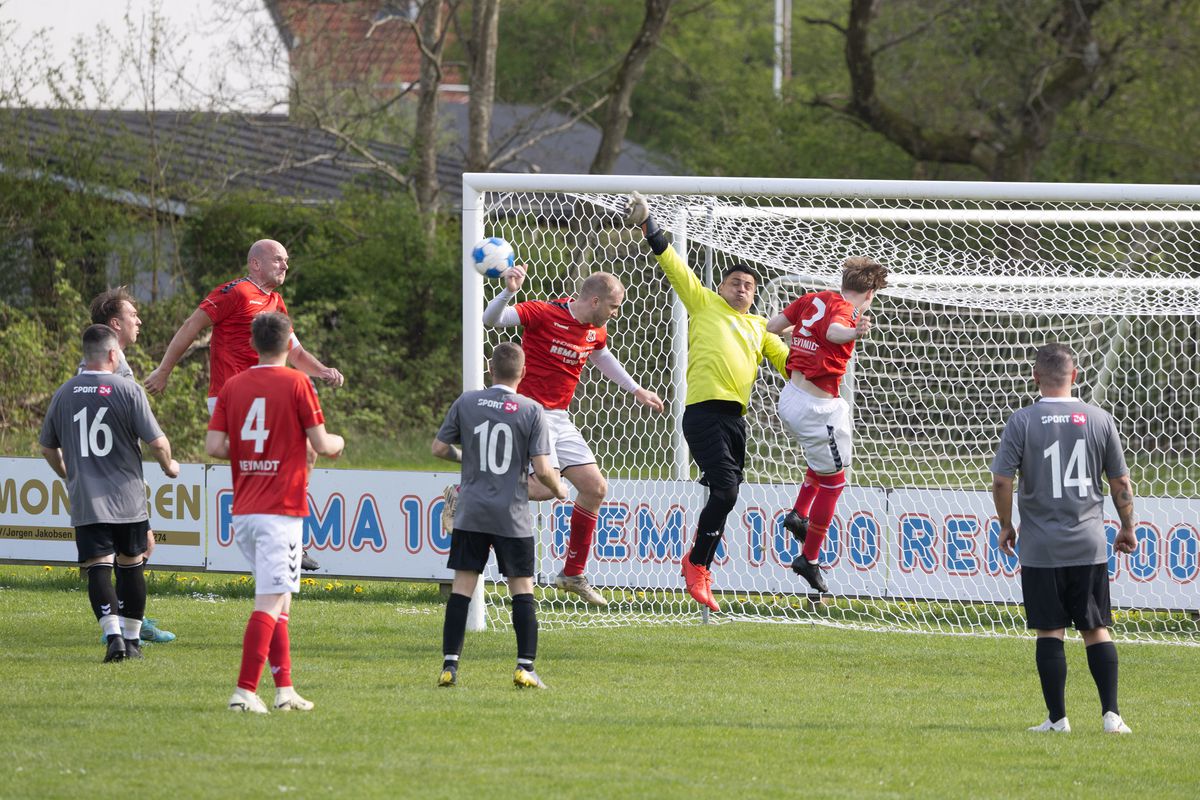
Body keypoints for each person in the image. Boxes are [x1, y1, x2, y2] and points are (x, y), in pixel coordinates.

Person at [623, 192, 789, 613]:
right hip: (702, 413)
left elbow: (790, 365)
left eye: (749, 286)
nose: (743, 288)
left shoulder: (760, 327)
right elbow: (674, 267)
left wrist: (824, 356)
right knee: (728, 490)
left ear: (755, 295)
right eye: (735, 282)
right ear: (722, 287)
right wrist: (650, 226)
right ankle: (697, 565)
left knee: (727, 493)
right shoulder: (705, 303)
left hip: (736, 420)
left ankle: (699, 564)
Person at [458, 265, 662, 607]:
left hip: (559, 417)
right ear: (595, 300)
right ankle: (472, 494)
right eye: (613, 306)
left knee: (595, 487)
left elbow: (600, 355)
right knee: (542, 487)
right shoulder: (543, 312)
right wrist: (509, 290)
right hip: (527, 412)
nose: (615, 313)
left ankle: (572, 574)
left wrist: (635, 389)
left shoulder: (596, 329)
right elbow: (492, 320)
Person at [147, 239, 343, 571]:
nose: (285, 266)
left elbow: (294, 352)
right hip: (232, 397)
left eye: (287, 261)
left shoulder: (276, 302)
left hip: (265, 399)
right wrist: (164, 369)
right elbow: (191, 326)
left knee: (307, 450)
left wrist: (322, 370)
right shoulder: (235, 293)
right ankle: (273, 536)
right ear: (255, 263)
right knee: (269, 461)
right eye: (279, 260)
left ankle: (287, 532)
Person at [991, 343, 1137, 735]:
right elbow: (1120, 482)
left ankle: (1058, 720)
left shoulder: (1021, 421)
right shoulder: (1100, 418)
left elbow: (1002, 480)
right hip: (1088, 543)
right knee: (1095, 628)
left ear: (1036, 377)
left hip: (1041, 548)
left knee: (1049, 630)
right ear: (1075, 376)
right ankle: (1112, 717)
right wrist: (1128, 527)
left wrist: (1005, 524)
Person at [206, 312, 345, 713]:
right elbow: (322, 442)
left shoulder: (233, 385)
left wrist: (255, 453)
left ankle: (285, 691)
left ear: (253, 345)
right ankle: (244, 692)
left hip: (246, 509)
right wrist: (338, 440)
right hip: (279, 511)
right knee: (269, 602)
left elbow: (215, 446)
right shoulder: (298, 382)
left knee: (280, 601)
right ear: (290, 346)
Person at [40, 324, 180, 663]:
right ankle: (132, 641)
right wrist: (169, 465)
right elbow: (158, 442)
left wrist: (68, 475)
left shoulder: (64, 392)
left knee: (98, 568)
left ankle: (113, 636)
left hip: (88, 499)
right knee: (131, 566)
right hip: (127, 499)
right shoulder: (128, 389)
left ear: (86, 355)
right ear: (113, 355)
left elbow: (47, 447)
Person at [432, 342, 568, 689]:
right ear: (522, 373)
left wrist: (467, 457)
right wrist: (559, 489)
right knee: (521, 590)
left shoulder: (467, 401)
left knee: (462, 588)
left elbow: (439, 448)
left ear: (490, 370)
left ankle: (450, 665)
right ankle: (525, 667)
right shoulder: (532, 410)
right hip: (512, 514)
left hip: (472, 512)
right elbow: (542, 467)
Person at [765, 257, 889, 594]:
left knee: (823, 458)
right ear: (870, 292)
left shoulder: (812, 298)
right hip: (817, 408)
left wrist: (801, 332)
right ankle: (810, 557)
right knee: (835, 481)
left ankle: (798, 514)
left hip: (790, 397)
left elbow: (772, 327)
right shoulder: (848, 310)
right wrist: (854, 331)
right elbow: (835, 331)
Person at [82, 287, 176, 644]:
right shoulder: (110, 367)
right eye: (132, 314)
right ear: (115, 324)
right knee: (133, 549)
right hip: (116, 479)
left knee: (132, 550)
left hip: (110, 478)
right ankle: (125, 624)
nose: (139, 320)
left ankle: (124, 618)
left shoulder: (111, 364)